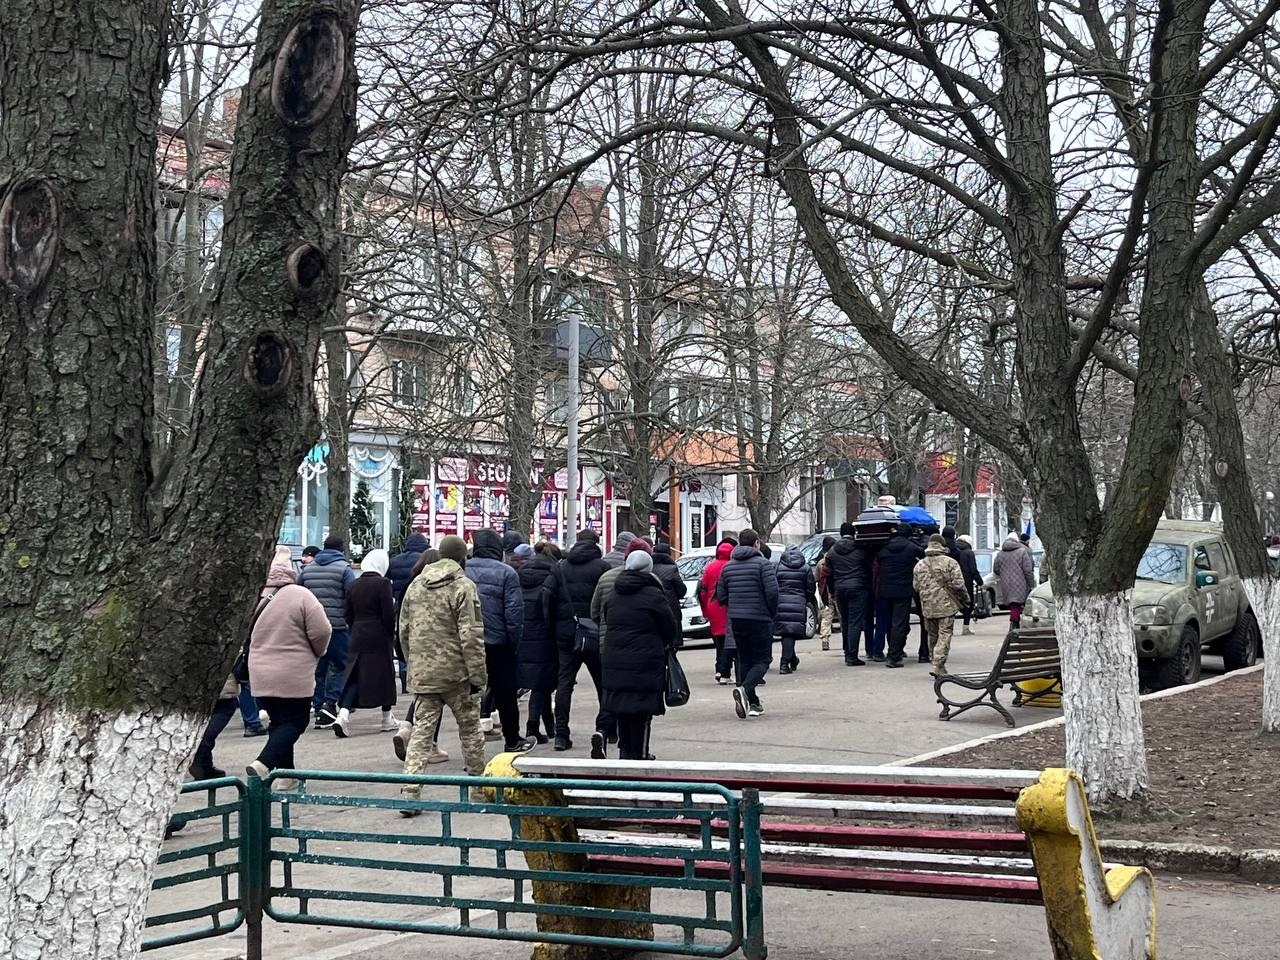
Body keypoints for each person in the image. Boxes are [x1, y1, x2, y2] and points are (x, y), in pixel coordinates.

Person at [398, 535, 488, 811]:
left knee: (421, 733)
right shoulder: (464, 586)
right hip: (457, 675)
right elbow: (471, 636)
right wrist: (478, 676)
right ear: (462, 558)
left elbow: (403, 630)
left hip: (424, 674)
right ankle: (479, 791)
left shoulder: (416, 585)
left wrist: (414, 664)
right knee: (470, 732)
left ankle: (410, 793)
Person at [245, 559, 332, 784]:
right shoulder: (301, 595)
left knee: (279, 722)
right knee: (296, 721)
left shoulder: (254, 595)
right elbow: (322, 630)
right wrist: (318, 652)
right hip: (293, 672)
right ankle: (263, 762)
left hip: (259, 672)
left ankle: (286, 776)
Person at [600, 550, 679, 760]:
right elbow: (669, 627)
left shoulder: (614, 594)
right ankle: (640, 755)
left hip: (615, 659)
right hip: (645, 660)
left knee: (622, 710)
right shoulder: (653, 595)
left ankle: (625, 754)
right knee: (642, 712)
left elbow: (606, 619)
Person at [467, 529, 535, 753]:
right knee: (506, 694)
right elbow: (514, 614)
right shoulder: (507, 573)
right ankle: (512, 740)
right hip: (498, 643)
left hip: (467, 642)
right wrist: (513, 645)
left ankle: (471, 747)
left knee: (467, 696)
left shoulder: (462, 570)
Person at [551, 529, 613, 752]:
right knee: (603, 683)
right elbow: (609, 600)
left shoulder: (560, 567)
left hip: (566, 632)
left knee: (564, 684)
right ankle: (605, 729)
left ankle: (561, 734)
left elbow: (547, 598)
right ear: (596, 544)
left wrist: (554, 627)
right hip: (594, 632)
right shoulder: (603, 567)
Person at [590, 537, 653, 757]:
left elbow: (595, 612)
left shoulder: (606, 577)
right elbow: (664, 621)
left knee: (612, 693)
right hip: (641, 651)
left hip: (608, 646)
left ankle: (603, 730)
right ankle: (635, 750)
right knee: (637, 700)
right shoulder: (651, 583)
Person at [333, 548, 398, 738]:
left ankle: (343, 715)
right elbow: (388, 613)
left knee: (355, 675)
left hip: (358, 634)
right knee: (385, 675)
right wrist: (390, 632)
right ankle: (386, 717)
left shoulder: (354, 585)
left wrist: (355, 628)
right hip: (378, 634)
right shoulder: (383, 583)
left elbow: (348, 613)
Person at [391, 548, 448, 765]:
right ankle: (430, 745)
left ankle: (406, 728)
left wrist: (403, 651)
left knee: (424, 695)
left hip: (415, 649)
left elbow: (402, 622)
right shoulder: (441, 586)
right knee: (436, 698)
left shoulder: (410, 585)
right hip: (438, 650)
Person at [714, 529, 779, 719]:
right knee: (763, 660)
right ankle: (744, 689)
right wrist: (771, 612)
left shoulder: (728, 567)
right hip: (759, 619)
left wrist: (735, 606)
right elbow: (773, 592)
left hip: (737, 620)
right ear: (757, 543)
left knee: (745, 660)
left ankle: (753, 703)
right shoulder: (763, 564)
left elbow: (721, 595)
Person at [299, 534, 355, 728]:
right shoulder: (344, 569)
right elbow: (351, 596)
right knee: (340, 665)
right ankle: (330, 705)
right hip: (337, 626)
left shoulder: (307, 570)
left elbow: (299, 594)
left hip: (312, 627)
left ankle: (317, 705)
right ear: (341, 548)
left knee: (319, 668)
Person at [515, 542, 558, 743]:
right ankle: (533, 726)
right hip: (545, 634)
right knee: (543, 683)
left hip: (523, 633)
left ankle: (549, 725)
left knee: (539, 681)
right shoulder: (554, 576)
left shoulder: (520, 574)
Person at [913, 534, 968, 673]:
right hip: (946, 605)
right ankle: (938, 663)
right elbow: (959, 584)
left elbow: (916, 587)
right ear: (943, 546)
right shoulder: (950, 562)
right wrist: (965, 598)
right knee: (944, 634)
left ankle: (934, 661)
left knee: (932, 635)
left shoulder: (919, 565)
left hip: (927, 607)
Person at [875, 524, 926, 668]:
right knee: (899, 623)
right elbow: (923, 555)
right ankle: (894, 656)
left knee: (889, 621)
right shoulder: (911, 547)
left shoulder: (883, 547)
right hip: (903, 590)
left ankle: (890, 650)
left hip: (885, 590)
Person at [827, 522, 875, 665]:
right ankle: (852, 656)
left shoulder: (832, 551)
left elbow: (828, 573)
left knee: (845, 621)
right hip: (858, 588)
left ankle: (847, 652)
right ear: (854, 533)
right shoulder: (861, 549)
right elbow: (869, 565)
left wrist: (832, 591)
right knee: (855, 622)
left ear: (841, 533)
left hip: (840, 589)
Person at [697, 540, 735, 683]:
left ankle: (719, 669)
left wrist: (705, 611)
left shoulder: (710, 567)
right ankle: (724, 671)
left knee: (719, 641)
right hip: (727, 606)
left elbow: (703, 591)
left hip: (712, 605)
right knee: (729, 641)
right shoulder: (731, 566)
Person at [776, 545, 816, 674]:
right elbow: (810, 588)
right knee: (790, 633)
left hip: (781, 602)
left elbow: (773, 584)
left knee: (787, 633)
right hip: (798, 602)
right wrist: (805, 599)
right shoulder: (805, 568)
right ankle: (784, 664)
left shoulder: (778, 567)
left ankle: (792, 660)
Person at [942, 526, 983, 635]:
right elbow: (973, 569)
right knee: (968, 604)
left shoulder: (951, 549)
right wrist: (979, 581)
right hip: (966, 582)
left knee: (952, 604)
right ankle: (965, 627)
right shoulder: (969, 552)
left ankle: (948, 628)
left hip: (950, 581)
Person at [994, 532, 1036, 626]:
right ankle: (1015, 624)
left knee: (1013, 604)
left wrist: (1004, 574)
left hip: (1005, 583)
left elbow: (996, 569)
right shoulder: (1022, 552)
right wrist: (1031, 584)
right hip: (1020, 583)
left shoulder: (1000, 554)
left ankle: (1014, 623)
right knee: (1017, 604)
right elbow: (1027, 570)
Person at [650, 541, 688, 631]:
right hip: (671, 607)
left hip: (653, 607)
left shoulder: (649, 568)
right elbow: (681, 590)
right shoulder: (672, 569)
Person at [387, 532, 430, 606]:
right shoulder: (424, 560)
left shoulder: (394, 561)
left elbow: (387, 581)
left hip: (399, 602)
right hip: (418, 602)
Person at [814, 536, 836, 652]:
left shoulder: (820, 563)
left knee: (826, 617)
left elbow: (817, 579)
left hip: (825, 593)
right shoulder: (837, 559)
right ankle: (847, 640)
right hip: (836, 591)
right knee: (843, 616)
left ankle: (825, 640)